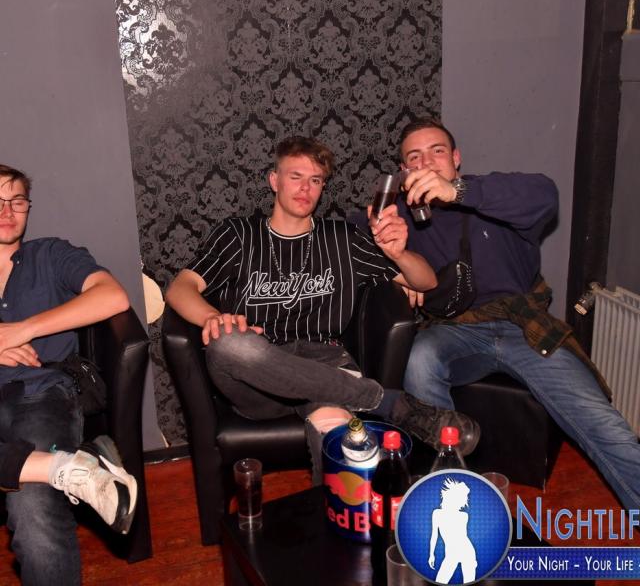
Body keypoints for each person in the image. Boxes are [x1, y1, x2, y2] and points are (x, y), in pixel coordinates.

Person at [165, 136, 480, 484]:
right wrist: (212, 317)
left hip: (325, 364)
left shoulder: (342, 238)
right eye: (295, 177)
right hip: (256, 376)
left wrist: (398, 253)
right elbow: (180, 287)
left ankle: (332, 516)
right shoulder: (238, 235)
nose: (305, 188)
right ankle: (387, 402)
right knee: (228, 343)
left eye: (315, 180)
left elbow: (426, 281)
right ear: (274, 180)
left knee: (341, 445)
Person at [396, 116, 640, 511]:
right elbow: (356, 240)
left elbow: (545, 194)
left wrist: (458, 192)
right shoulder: (403, 214)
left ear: (456, 158)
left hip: (523, 327)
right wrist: (394, 269)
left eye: (437, 151)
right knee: (419, 357)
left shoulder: (489, 195)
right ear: (404, 171)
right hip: (457, 329)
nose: (426, 163)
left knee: (605, 424)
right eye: (414, 157)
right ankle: (453, 490)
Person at [0, 165, 138, 585]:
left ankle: (52, 469)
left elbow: (113, 297)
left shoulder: (50, 254)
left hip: (38, 395)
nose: (7, 211)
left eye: (16, 200)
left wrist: (22, 330)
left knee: (32, 503)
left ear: (28, 208)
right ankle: (66, 467)